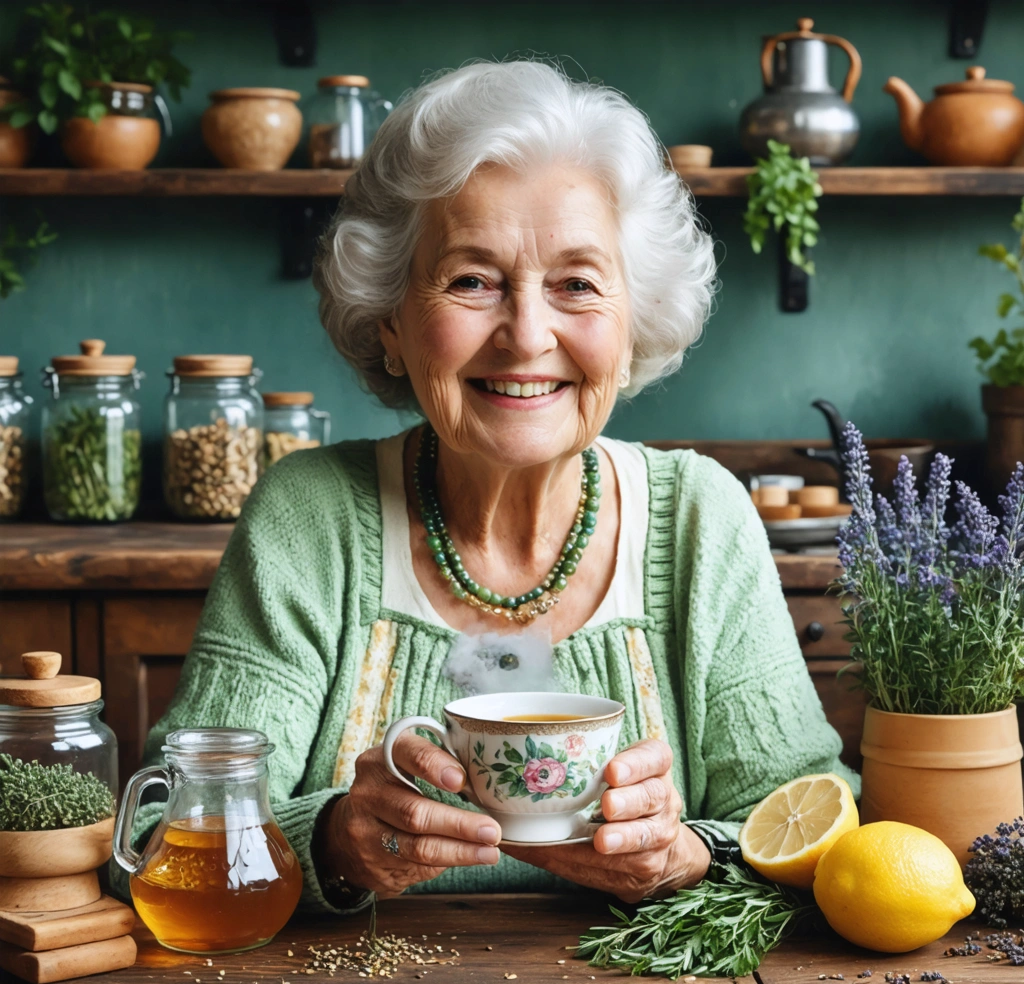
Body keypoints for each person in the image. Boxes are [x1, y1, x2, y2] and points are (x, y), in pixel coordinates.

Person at [134, 60, 857, 914]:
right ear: (393, 324)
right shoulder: (310, 517)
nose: (526, 334)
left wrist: (688, 857)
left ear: (633, 331)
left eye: (577, 285)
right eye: (472, 280)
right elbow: (161, 836)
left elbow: (822, 833)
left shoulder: (702, 519)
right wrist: (332, 841)